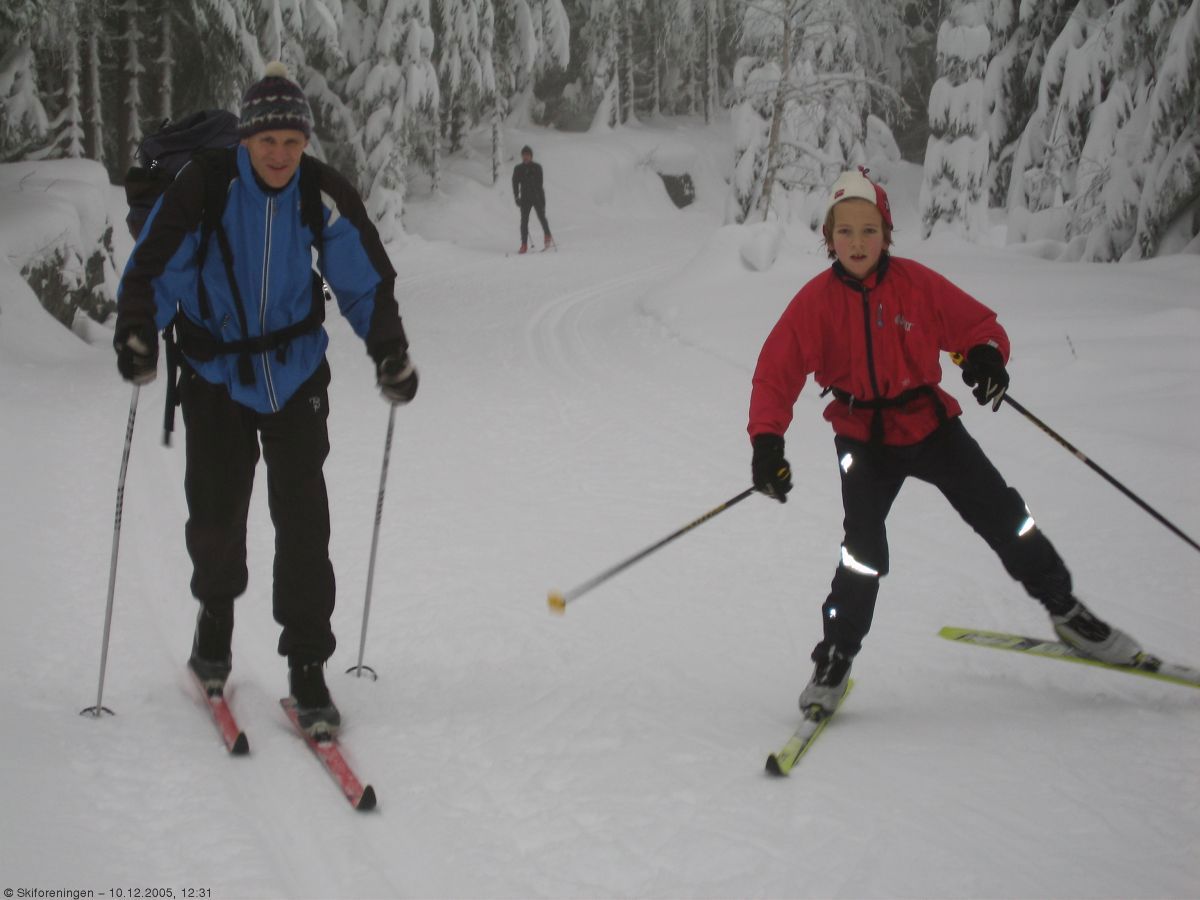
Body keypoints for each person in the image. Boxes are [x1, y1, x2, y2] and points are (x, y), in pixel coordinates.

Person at [747, 167, 1141, 717]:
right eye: (844, 232)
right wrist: (768, 444)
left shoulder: (915, 284)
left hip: (931, 426)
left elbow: (977, 324)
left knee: (1005, 515)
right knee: (862, 553)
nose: (857, 244)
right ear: (828, 237)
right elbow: (775, 375)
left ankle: (1065, 610)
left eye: (868, 231)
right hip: (862, 437)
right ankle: (835, 656)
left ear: (886, 234)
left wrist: (985, 357)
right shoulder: (814, 304)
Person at [113, 62, 419, 737]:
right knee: (217, 514)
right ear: (246, 141)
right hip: (215, 375)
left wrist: (388, 350)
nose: (279, 154)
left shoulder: (320, 191)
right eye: (266, 142)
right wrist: (138, 333)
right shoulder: (205, 185)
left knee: (304, 523)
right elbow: (156, 266)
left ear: (305, 142)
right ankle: (214, 629)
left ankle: (307, 668)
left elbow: (364, 278)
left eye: (291, 141)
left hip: (296, 372)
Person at [512, 145, 553, 253]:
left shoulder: (537, 167)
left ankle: (547, 235)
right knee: (524, 221)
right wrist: (516, 196)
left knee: (541, 217)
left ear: (531, 156)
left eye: (527, 155)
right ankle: (524, 244)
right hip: (525, 198)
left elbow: (540, 183)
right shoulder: (518, 169)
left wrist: (530, 176)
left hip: (537, 196)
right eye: (524, 155)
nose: (525, 157)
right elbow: (515, 183)